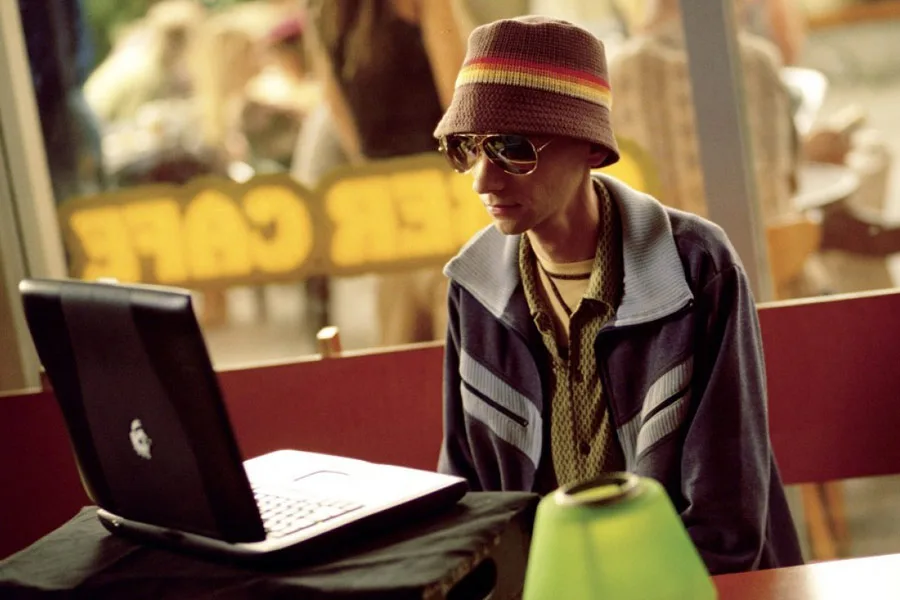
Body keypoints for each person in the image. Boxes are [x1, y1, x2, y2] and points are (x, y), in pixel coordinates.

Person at [433, 16, 803, 575]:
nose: (484, 180)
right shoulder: (475, 286)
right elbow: (467, 501)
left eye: (512, 148)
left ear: (591, 147)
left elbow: (726, 518)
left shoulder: (695, 268)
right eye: (465, 148)